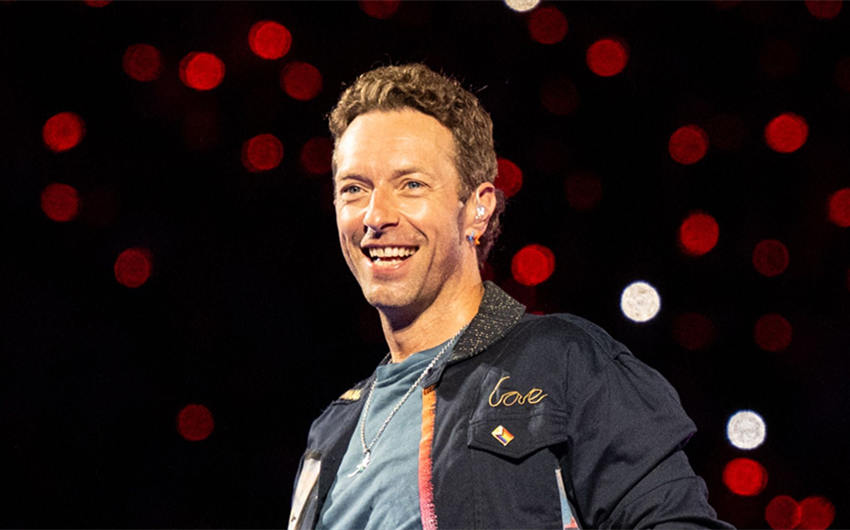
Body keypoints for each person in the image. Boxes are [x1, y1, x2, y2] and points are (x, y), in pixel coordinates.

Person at [289, 63, 733, 530]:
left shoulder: (564, 363)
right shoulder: (332, 431)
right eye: (354, 189)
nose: (375, 215)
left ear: (477, 209)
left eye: (411, 184)